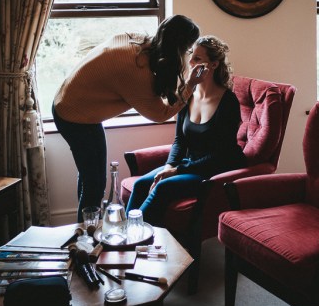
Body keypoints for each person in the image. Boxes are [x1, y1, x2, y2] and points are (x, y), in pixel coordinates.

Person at [52, 15, 208, 222]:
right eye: (188, 51)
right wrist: (189, 86)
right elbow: (159, 114)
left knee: (93, 179)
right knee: (94, 183)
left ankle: (87, 229)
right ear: (178, 48)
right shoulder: (135, 69)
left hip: (76, 105)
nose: (188, 57)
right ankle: (85, 238)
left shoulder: (138, 40)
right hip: (74, 114)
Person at [126, 35, 247, 226]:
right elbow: (179, 141)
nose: (190, 62)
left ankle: (133, 235)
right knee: (141, 184)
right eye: (191, 55)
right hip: (188, 163)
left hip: (212, 170)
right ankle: (126, 235)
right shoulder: (188, 95)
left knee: (163, 187)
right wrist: (168, 166)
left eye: (197, 59)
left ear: (213, 65)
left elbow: (222, 154)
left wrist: (176, 171)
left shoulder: (228, 102)